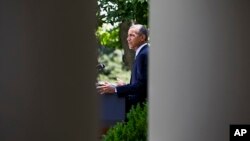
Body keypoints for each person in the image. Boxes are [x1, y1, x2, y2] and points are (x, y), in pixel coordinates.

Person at [97, 24, 149, 115]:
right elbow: (140, 83)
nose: (128, 39)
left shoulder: (144, 54)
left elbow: (142, 86)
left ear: (142, 37)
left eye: (132, 35)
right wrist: (124, 86)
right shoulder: (143, 53)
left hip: (140, 110)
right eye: (128, 35)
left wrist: (116, 89)